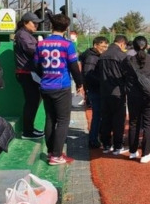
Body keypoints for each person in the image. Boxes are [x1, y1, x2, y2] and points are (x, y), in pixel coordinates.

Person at [34, 14, 84, 165]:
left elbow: (36, 65)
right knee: (63, 120)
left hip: (45, 85)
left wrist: (46, 76)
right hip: (61, 86)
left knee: (50, 118)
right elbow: (74, 67)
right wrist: (80, 83)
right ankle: (56, 155)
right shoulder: (67, 45)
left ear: (51, 26)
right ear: (66, 28)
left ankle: (51, 152)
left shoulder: (41, 44)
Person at [125, 36, 150, 163]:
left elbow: (124, 77)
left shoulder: (128, 60)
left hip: (134, 96)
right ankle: (145, 153)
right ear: (146, 46)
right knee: (149, 123)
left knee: (134, 123)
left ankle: (133, 151)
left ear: (133, 46)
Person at [14, 12, 45, 140]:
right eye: (34, 23)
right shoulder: (23, 35)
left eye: (37, 23)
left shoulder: (26, 35)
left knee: (33, 101)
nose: (36, 25)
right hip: (27, 73)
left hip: (29, 73)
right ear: (25, 22)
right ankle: (27, 131)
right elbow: (33, 51)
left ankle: (29, 128)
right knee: (32, 102)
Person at [97, 35, 129, 155]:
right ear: (122, 44)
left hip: (104, 91)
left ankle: (106, 145)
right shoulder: (122, 56)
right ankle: (117, 146)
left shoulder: (102, 55)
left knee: (106, 119)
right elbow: (127, 74)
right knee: (118, 120)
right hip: (118, 92)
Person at [80, 36, 109, 149]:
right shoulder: (92, 57)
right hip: (95, 89)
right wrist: (102, 81)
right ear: (95, 45)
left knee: (99, 114)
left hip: (94, 88)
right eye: (102, 46)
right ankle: (93, 139)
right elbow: (88, 73)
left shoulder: (93, 55)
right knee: (98, 115)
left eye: (106, 46)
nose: (105, 49)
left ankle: (96, 136)